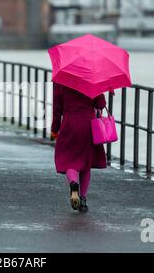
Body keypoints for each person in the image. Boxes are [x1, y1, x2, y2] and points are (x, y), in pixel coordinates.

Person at [51, 83, 107, 212]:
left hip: (69, 123)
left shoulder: (61, 81)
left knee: (70, 159)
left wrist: (55, 129)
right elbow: (100, 104)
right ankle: (82, 199)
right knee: (85, 163)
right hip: (88, 124)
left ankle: (73, 184)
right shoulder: (92, 79)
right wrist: (101, 91)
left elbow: (57, 108)